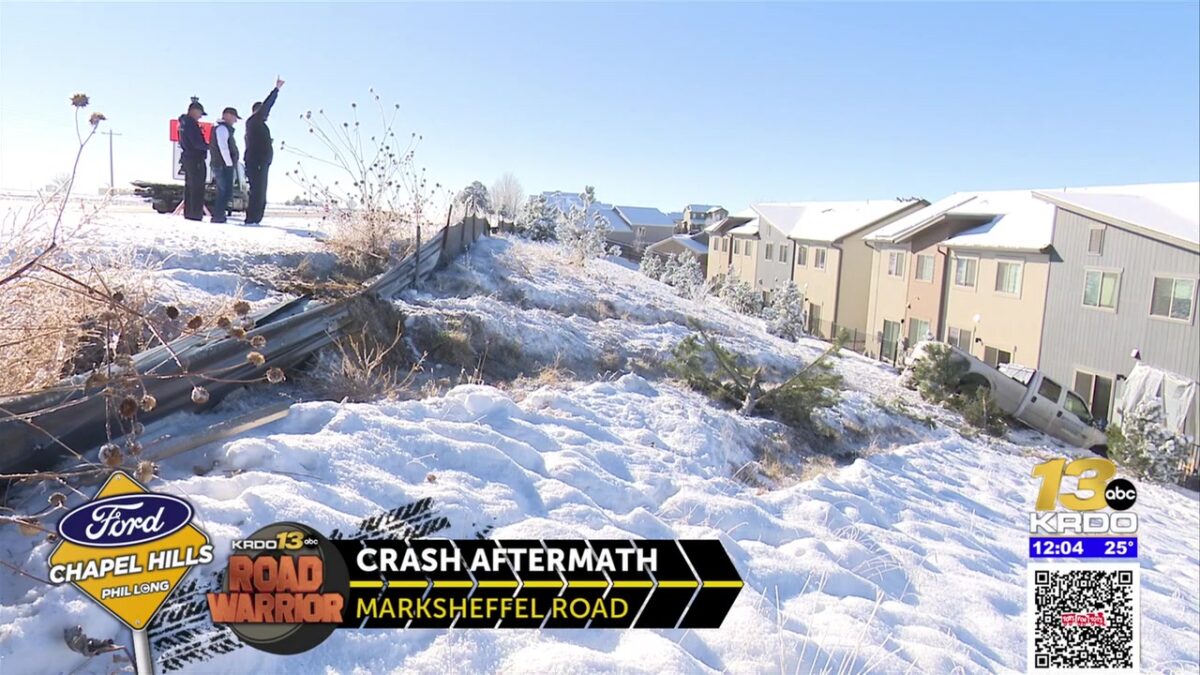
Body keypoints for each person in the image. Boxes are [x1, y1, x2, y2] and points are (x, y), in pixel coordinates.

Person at [243, 76, 284, 226]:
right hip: (257, 162)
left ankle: (255, 218)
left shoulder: (257, 125)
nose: (267, 114)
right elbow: (267, 106)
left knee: (260, 190)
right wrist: (276, 90)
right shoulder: (254, 121)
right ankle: (252, 218)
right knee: (257, 191)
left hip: (260, 161)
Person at [208, 107, 241, 224]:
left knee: (225, 191)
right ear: (227, 115)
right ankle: (218, 216)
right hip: (222, 165)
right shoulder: (222, 129)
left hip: (222, 164)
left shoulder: (224, 129)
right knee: (223, 191)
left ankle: (219, 215)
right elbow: (223, 148)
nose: (235, 121)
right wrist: (229, 164)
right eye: (234, 118)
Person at [178, 98, 208, 221]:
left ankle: (190, 213)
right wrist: (209, 146)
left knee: (190, 187)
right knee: (197, 187)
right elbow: (196, 143)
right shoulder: (190, 124)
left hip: (188, 157)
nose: (200, 117)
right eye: (200, 113)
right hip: (195, 158)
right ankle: (195, 214)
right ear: (194, 111)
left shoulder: (184, 123)